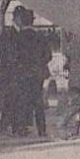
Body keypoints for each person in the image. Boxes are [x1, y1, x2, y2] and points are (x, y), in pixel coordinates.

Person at [11, 8, 51, 137]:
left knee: (22, 101)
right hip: (37, 73)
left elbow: (13, 56)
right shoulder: (40, 37)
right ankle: (42, 129)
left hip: (22, 73)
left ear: (21, 22)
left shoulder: (17, 38)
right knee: (38, 102)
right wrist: (39, 64)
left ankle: (22, 128)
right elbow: (48, 55)